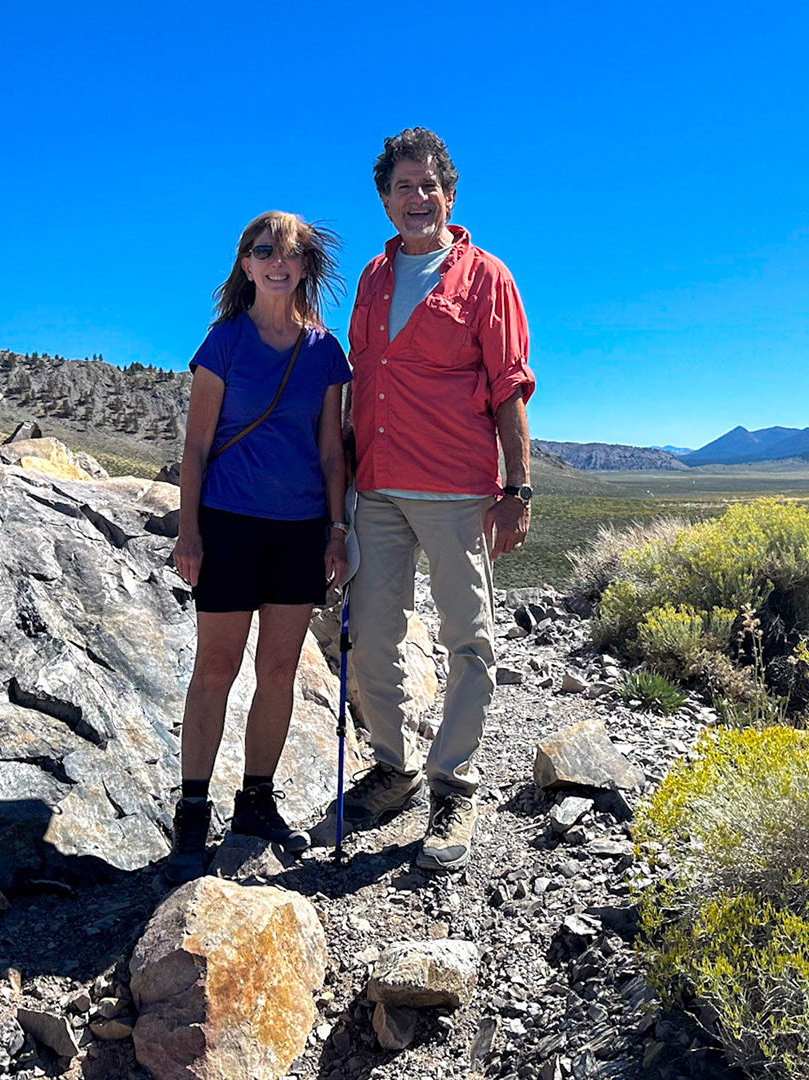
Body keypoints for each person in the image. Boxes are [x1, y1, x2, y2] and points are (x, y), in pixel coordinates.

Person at [339, 128, 535, 871]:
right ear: (385, 199)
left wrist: (516, 487)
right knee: (373, 634)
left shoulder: (486, 276)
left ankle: (455, 785)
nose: (417, 198)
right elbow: (359, 380)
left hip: (457, 488)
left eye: (430, 186)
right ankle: (394, 768)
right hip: (377, 486)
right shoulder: (372, 278)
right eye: (403, 187)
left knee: (468, 639)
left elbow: (510, 385)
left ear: (450, 195)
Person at [166, 211, 352, 884]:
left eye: (291, 252)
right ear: (246, 264)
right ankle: (193, 806)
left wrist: (336, 531)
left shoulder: (326, 353)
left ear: (306, 266)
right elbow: (194, 445)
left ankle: (255, 800)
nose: (277, 260)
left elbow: (332, 451)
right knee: (215, 670)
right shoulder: (224, 343)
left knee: (277, 673)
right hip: (229, 522)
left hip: (300, 529)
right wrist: (189, 531)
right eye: (264, 249)